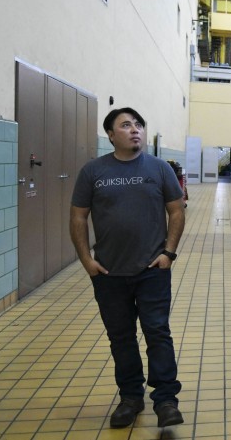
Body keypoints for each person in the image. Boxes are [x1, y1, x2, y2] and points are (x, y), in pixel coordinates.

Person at [69, 107, 185, 429]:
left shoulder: (160, 168)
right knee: (121, 337)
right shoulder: (92, 172)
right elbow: (78, 216)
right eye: (125, 125)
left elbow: (176, 211)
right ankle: (131, 398)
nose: (135, 130)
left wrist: (168, 254)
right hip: (108, 274)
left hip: (152, 270)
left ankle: (165, 400)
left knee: (158, 333)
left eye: (138, 125)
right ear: (110, 135)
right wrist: (86, 260)